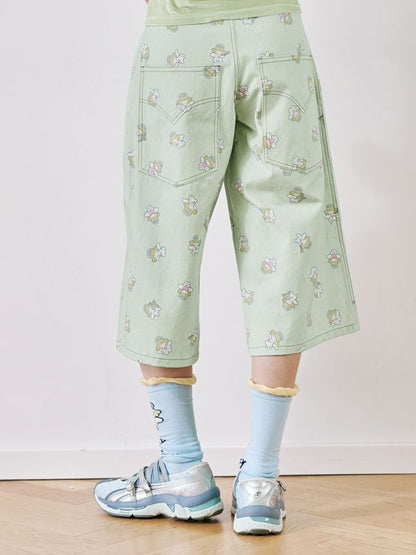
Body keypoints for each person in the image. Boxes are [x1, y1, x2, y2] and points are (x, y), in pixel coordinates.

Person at [94, 0, 360, 536]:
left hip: (179, 42)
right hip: (276, 39)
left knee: (162, 246)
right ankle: (260, 480)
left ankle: (183, 468)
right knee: (286, 244)